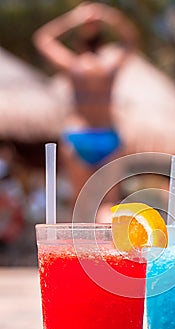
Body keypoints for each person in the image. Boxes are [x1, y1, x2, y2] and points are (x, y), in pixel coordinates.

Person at [33, 2, 139, 220]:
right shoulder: (108, 68)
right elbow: (131, 40)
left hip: (79, 136)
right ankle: (105, 253)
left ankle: (79, 253)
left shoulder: (74, 66)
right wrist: (109, 17)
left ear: (78, 44)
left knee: (80, 207)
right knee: (109, 208)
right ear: (103, 43)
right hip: (107, 136)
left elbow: (42, 39)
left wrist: (74, 19)